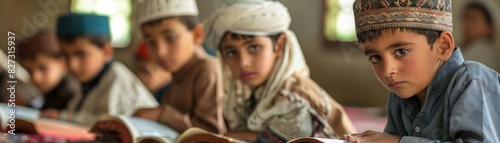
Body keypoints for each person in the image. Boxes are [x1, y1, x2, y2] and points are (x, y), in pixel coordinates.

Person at [342, 0, 500, 142]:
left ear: (443, 46)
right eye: (376, 58)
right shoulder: (399, 98)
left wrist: (398, 142)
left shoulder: (472, 81)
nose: (387, 71)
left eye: (401, 51)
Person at [204, 0, 356, 142]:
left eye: (254, 48)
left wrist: (226, 137)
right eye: (231, 53)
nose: (243, 63)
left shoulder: (295, 95)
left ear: (279, 45)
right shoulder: (258, 93)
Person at [43, 13, 158, 126]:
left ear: (107, 52)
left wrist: (63, 116)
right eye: (65, 55)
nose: (72, 64)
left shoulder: (117, 77)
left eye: (81, 54)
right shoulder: (84, 84)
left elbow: (110, 124)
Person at [133, 0, 226, 134]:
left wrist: (162, 114)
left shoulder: (208, 68)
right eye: (151, 42)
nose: (160, 52)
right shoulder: (176, 75)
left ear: (197, 35)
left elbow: (213, 134)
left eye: (170, 38)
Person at [17, 30, 78, 111]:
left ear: (62, 65)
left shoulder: (72, 97)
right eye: (30, 71)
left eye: (43, 68)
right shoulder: (48, 94)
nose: (35, 77)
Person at [461, 0, 500, 72]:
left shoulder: (483, 51)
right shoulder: (467, 47)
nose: (467, 25)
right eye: (465, 19)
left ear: (490, 27)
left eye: (473, 20)